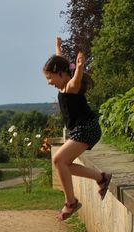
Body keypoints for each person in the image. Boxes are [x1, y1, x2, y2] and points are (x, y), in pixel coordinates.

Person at [43, 37, 112, 221]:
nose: (49, 82)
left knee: (58, 160)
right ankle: (102, 178)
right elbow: (61, 61)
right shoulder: (63, 80)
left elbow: (75, 78)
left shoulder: (72, 87)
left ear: (61, 74)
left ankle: (71, 202)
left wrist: (80, 66)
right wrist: (57, 47)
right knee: (65, 165)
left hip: (86, 128)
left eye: (50, 77)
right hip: (80, 129)